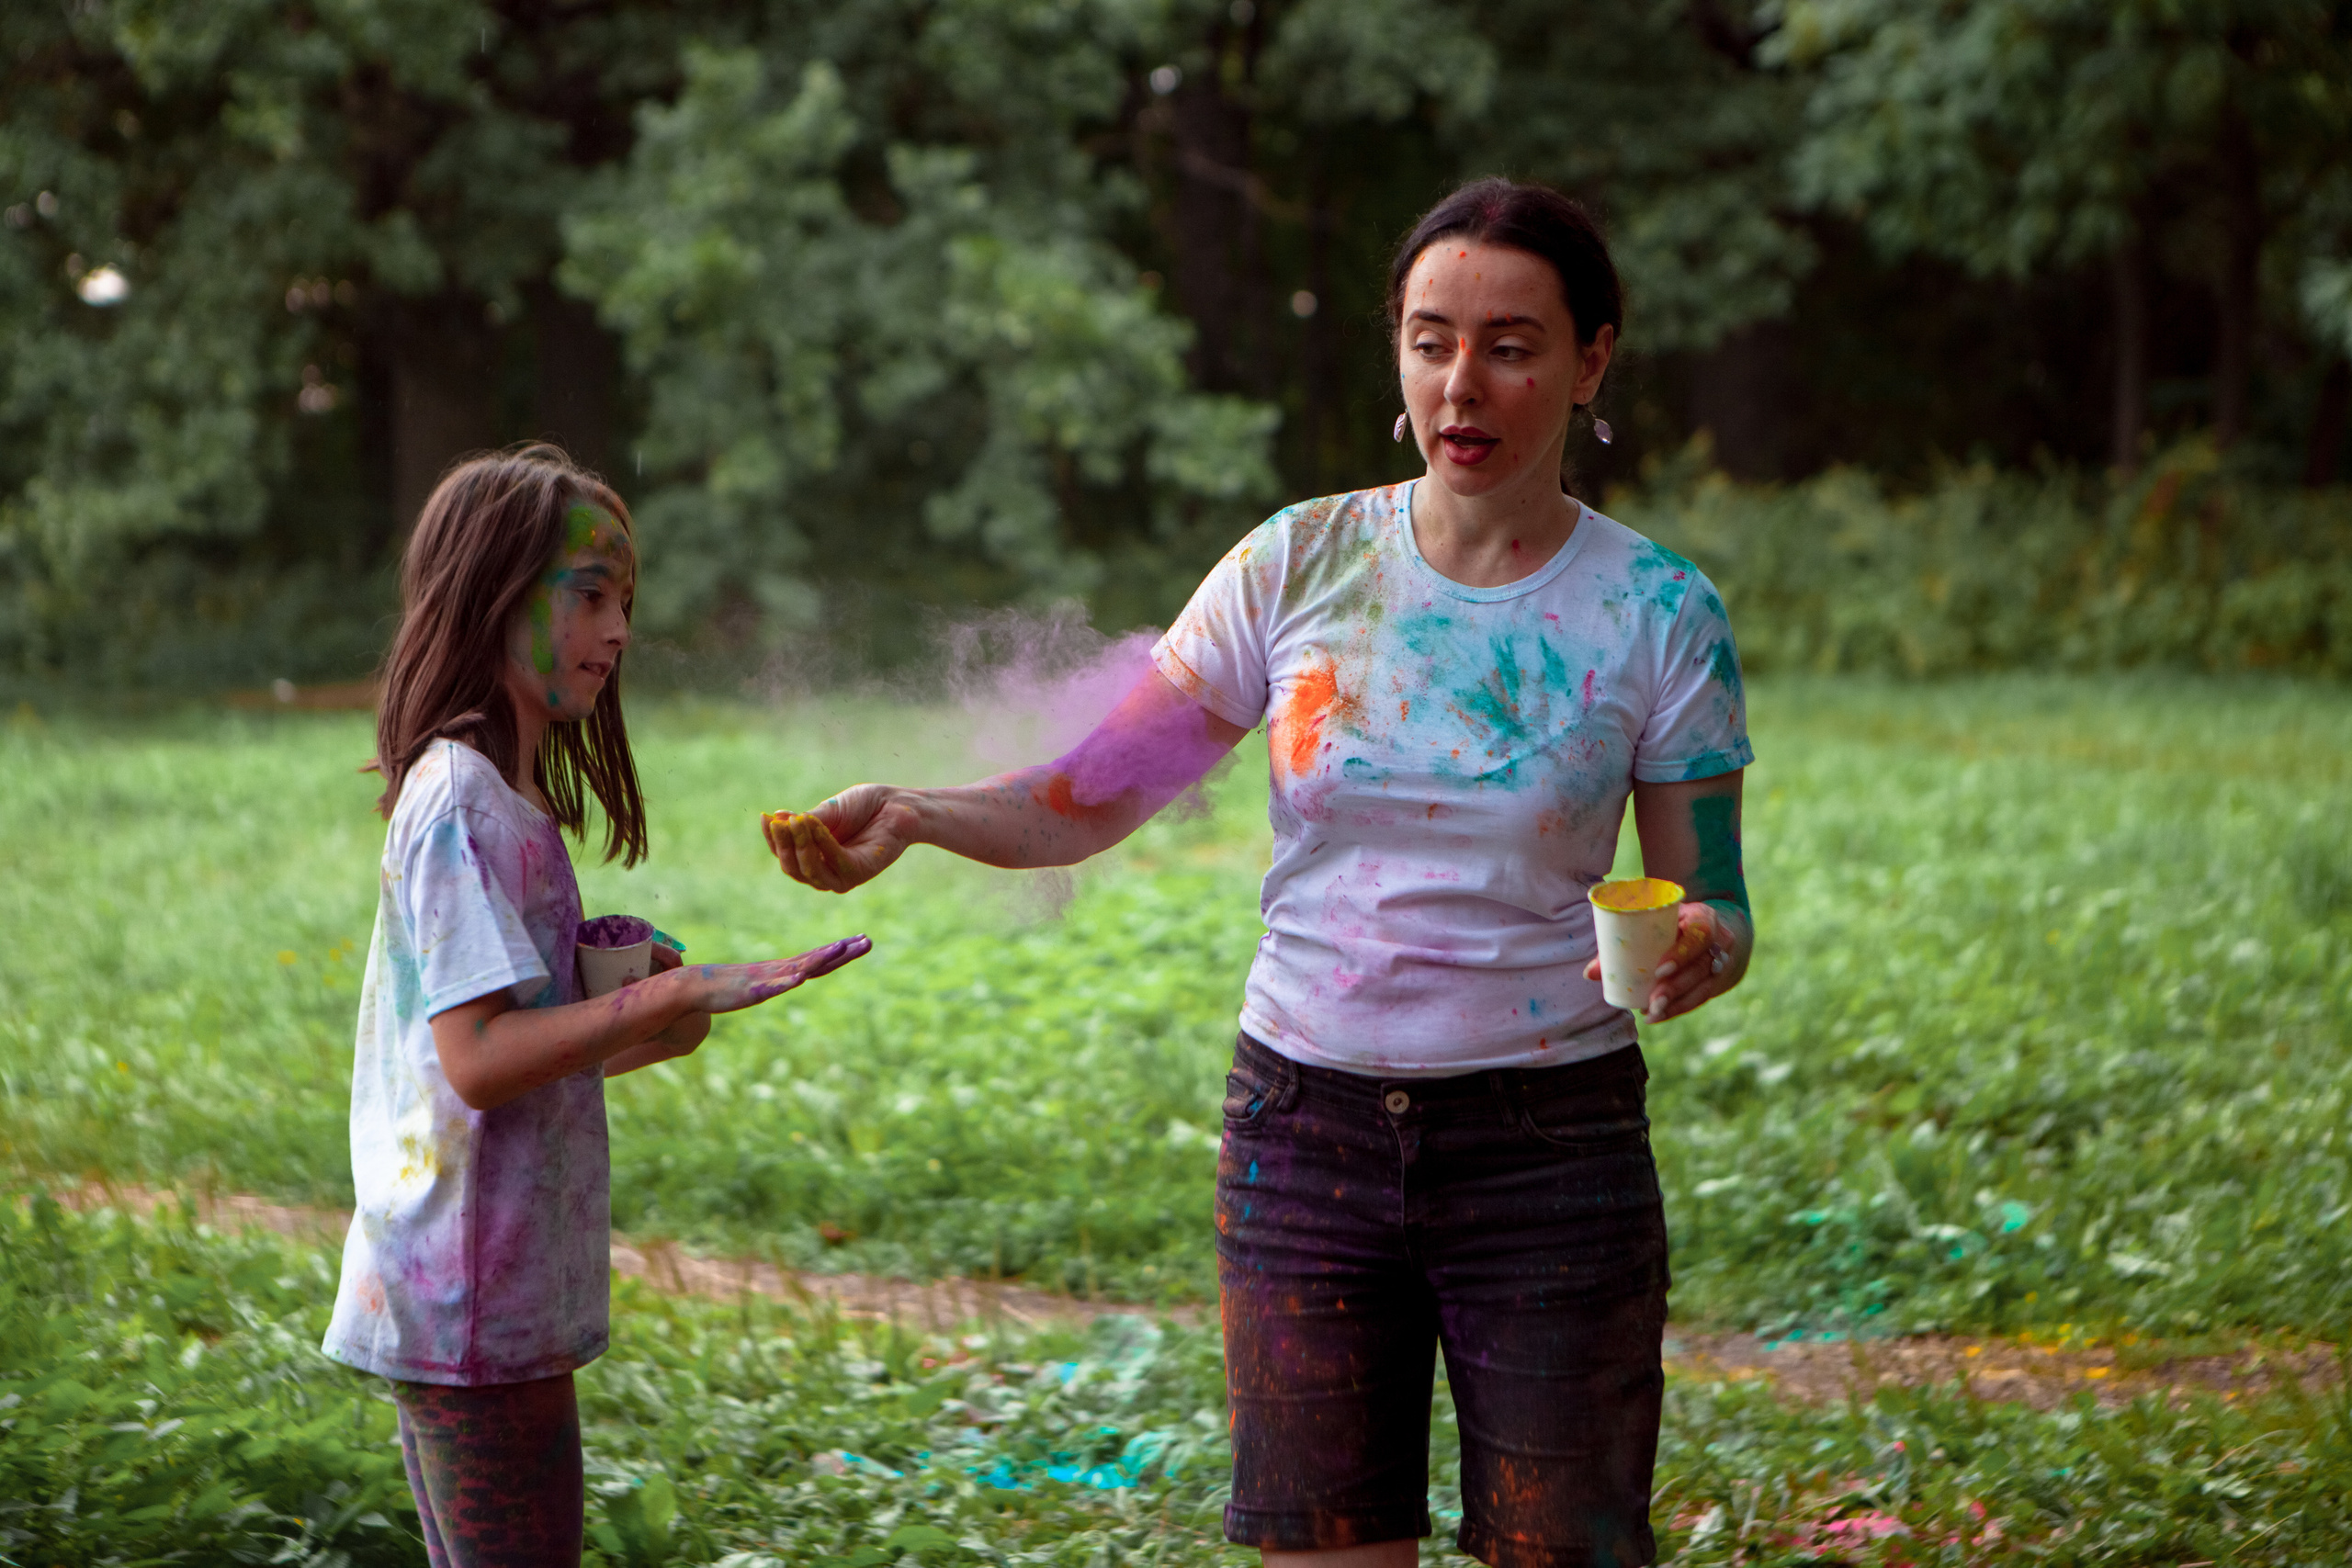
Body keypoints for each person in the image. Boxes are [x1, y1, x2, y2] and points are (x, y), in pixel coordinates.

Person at [767, 177, 1752, 1568]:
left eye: (1512, 344)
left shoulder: (1658, 609)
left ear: (1594, 357)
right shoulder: (1300, 562)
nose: (1461, 383)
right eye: (1429, 338)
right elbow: (1087, 795)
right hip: (1304, 1137)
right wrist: (916, 813)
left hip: (1551, 1153)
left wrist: (1709, 938)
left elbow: (1713, 893)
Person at [322, 445, 871, 1566]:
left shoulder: (510, 804)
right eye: (587, 595)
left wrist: (646, 1020)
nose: (617, 630)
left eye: (623, 601)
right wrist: (661, 996)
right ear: (493, 595)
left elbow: (494, 1071)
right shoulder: (457, 804)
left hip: (495, 1284)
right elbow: (474, 1060)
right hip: (469, 1292)